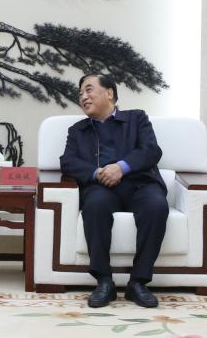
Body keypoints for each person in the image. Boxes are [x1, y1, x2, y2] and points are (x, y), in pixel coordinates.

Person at [59, 73, 168, 310]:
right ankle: (104, 282)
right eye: (80, 94)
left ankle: (138, 282)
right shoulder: (77, 130)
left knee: (156, 205)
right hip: (101, 187)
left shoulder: (136, 118)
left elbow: (151, 150)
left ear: (109, 93)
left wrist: (121, 167)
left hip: (140, 184)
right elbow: (67, 162)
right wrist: (96, 173)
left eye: (89, 90)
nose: (83, 97)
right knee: (94, 205)